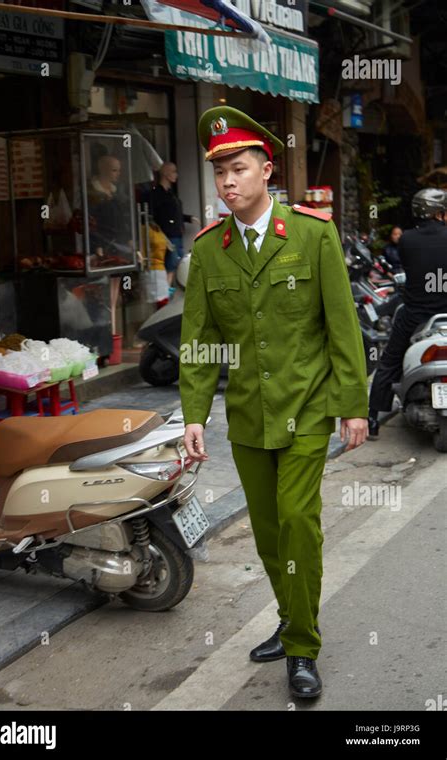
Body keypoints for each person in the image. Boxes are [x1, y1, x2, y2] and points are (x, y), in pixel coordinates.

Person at [179, 106, 368, 700]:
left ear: (266, 169)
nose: (228, 182)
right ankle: (290, 619)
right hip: (247, 417)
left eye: (238, 168)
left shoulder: (313, 235)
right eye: (220, 173)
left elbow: (343, 327)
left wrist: (353, 405)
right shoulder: (210, 251)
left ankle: (302, 646)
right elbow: (199, 342)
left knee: (297, 522)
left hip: (308, 409)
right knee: (266, 535)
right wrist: (192, 415)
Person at [368, 188, 447, 437]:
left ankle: (372, 418)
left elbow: (408, 266)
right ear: (438, 212)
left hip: (414, 315)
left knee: (389, 363)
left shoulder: (406, 239)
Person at [149, 162, 200, 287]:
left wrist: (188, 218)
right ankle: (165, 296)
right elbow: (155, 216)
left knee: (175, 263)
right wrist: (160, 233)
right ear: (166, 174)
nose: (176, 175)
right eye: (173, 171)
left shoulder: (171, 193)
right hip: (167, 235)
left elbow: (175, 214)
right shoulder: (157, 194)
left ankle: (167, 293)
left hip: (176, 234)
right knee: (171, 265)